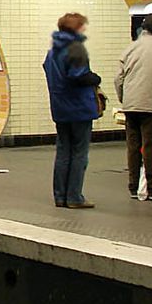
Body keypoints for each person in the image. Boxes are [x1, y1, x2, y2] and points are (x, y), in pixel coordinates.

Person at [43, 13, 103, 209]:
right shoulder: (75, 49)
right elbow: (79, 76)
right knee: (79, 153)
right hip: (78, 108)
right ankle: (75, 197)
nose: (84, 29)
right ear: (75, 29)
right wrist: (95, 78)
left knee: (63, 152)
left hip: (60, 107)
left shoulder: (53, 51)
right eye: (82, 26)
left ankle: (60, 196)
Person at [115, 13, 152, 200]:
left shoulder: (130, 47)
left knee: (133, 145)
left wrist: (124, 99)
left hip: (131, 105)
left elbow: (118, 78)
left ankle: (134, 186)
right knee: (151, 145)